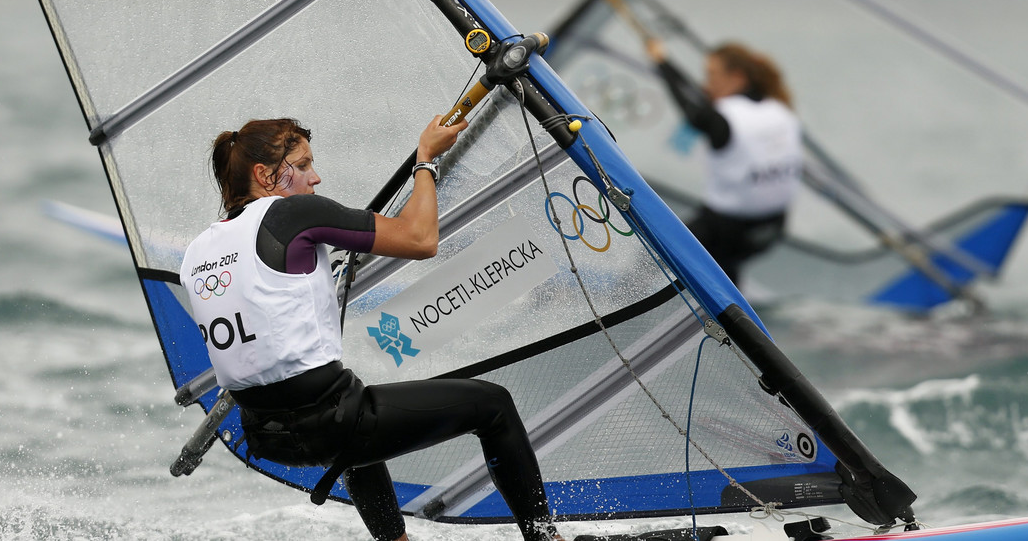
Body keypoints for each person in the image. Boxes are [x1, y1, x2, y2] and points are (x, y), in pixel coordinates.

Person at [179, 117, 564, 541]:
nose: (315, 177)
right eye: (303, 165)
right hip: (331, 423)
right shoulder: (292, 214)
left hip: (265, 436)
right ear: (264, 175)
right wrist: (426, 159)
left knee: (353, 419)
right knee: (494, 406)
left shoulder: (196, 254)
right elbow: (420, 239)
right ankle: (546, 538)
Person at [645, 38, 802, 285]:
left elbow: (693, 110)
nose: (706, 85)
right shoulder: (781, 110)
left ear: (737, 77)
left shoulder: (726, 118)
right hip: (772, 228)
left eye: (711, 75)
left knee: (654, 256)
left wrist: (661, 62)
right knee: (725, 267)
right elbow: (700, 103)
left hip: (729, 230)